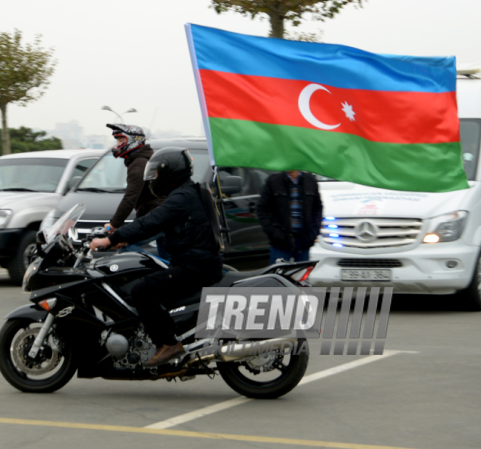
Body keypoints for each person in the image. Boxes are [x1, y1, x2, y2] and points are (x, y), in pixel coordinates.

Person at [90, 148, 223, 367]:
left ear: (170, 173)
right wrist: (125, 239)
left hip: (195, 266)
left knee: (141, 290)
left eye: (157, 174)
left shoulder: (181, 197)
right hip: (200, 262)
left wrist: (110, 240)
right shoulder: (189, 192)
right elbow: (160, 224)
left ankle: (168, 343)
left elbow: (151, 220)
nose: (154, 179)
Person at [104, 124, 166, 254]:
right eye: (117, 140)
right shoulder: (145, 159)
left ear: (133, 141)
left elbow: (131, 197)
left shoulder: (139, 163)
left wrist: (114, 224)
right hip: (162, 216)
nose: (117, 144)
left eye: (121, 140)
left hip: (155, 218)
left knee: (124, 247)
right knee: (168, 262)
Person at [256, 170, 323, 264]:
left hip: (303, 242)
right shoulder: (274, 181)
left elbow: (317, 209)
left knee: (300, 276)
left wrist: (313, 233)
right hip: (281, 243)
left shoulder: (310, 180)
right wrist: (274, 233)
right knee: (278, 276)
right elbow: (261, 209)